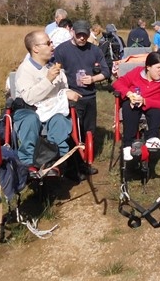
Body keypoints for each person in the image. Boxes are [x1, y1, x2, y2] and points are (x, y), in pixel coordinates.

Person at [12, 30, 81, 174]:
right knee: (30, 120)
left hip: (52, 109)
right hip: (29, 110)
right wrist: (48, 80)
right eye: (48, 43)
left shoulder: (54, 68)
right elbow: (29, 98)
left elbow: (62, 90)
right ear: (35, 48)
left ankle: (53, 160)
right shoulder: (25, 70)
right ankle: (28, 163)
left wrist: (68, 93)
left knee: (60, 120)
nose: (52, 46)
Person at [53, 20, 110, 175]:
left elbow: (106, 72)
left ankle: (85, 162)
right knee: (73, 132)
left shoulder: (95, 50)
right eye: (79, 35)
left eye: (84, 35)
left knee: (88, 130)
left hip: (90, 96)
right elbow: (53, 71)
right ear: (72, 32)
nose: (82, 38)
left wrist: (93, 79)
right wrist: (64, 90)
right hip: (71, 98)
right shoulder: (62, 50)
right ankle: (73, 167)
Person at [112, 52, 160, 161]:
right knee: (129, 108)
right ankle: (127, 145)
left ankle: (152, 139)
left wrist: (145, 101)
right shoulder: (137, 73)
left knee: (158, 110)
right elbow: (118, 83)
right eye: (158, 67)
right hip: (133, 100)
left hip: (151, 104)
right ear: (148, 67)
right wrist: (129, 94)